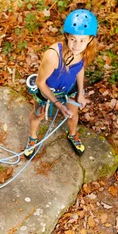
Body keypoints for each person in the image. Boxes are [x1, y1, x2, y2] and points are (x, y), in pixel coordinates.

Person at [23, 9, 99, 158]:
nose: (77, 45)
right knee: (38, 115)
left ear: (90, 39)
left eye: (82, 40)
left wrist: (80, 93)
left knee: (72, 114)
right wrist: (57, 103)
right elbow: (40, 82)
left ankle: (72, 134)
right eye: (73, 39)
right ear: (66, 36)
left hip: (69, 88)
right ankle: (32, 138)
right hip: (47, 89)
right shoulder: (53, 55)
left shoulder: (84, 51)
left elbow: (79, 69)